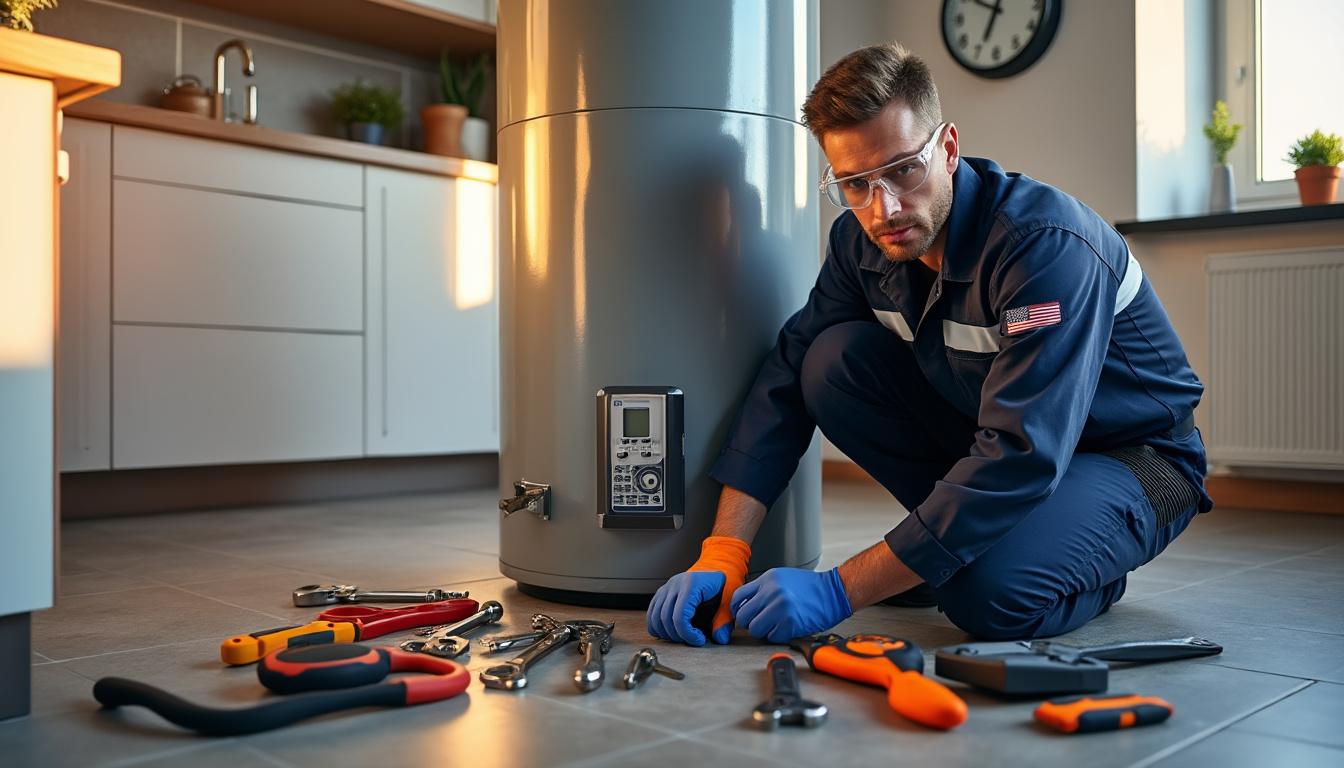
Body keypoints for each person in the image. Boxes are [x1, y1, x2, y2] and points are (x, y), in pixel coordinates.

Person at [645, 42, 1211, 645]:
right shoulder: (860, 243)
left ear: (947, 148)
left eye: (902, 170)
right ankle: (955, 548)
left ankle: (1065, 564)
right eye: (854, 183)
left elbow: (1024, 452)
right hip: (1003, 446)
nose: (884, 208)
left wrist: (842, 589)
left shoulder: (1044, 248)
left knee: (987, 596)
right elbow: (786, 378)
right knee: (829, 362)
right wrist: (724, 550)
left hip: (1136, 458)